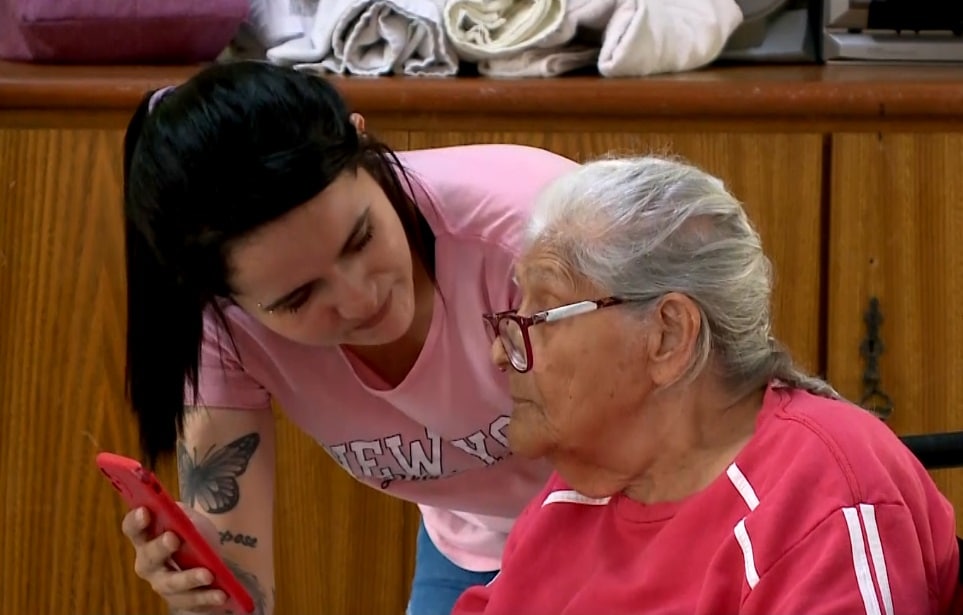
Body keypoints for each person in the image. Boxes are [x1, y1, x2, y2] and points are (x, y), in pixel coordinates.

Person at [119, 60, 575, 615]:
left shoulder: (537, 229)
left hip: (642, 513)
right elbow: (241, 590)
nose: (361, 300)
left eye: (360, 239)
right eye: (298, 298)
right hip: (473, 547)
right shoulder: (223, 329)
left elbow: (676, 462)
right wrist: (202, 595)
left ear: (365, 144)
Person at [454, 155, 960, 615]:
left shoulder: (818, 501)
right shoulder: (578, 491)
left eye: (541, 313)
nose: (503, 351)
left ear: (668, 334)